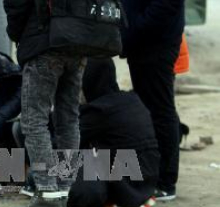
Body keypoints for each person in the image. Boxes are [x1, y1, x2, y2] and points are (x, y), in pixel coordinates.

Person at [3, 0, 85, 206]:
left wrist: (18, 36)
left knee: (33, 119)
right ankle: (66, 184)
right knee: (68, 117)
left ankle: (49, 187)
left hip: (43, 46)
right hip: (77, 45)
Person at [114, 0, 187, 201]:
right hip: (138, 41)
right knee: (145, 109)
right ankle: (149, 172)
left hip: (157, 42)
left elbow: (167, 1)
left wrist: (133, 31)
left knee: (159, 110)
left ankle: (166, 181)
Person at [67, 58, 159, 207]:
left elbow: (65, 144)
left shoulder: (98, 110)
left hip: (126, 186)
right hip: (146, 182)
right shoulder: (131, 99)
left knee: (78, 181)